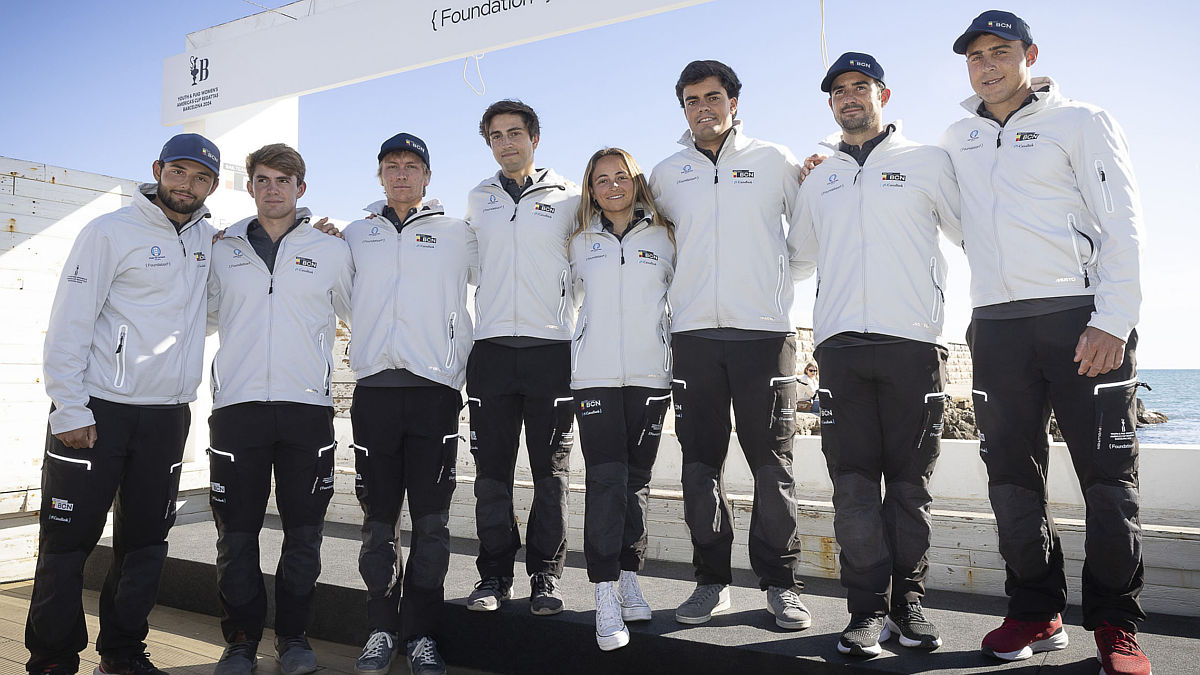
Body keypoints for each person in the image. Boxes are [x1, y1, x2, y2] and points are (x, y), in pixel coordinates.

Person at [941, 11, 1150, 675]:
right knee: (1009, 478)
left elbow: (1123, 222)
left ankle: (1116, 624)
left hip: (1080, 318)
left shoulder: (1080, 121)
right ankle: (1036, 608)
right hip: (996, 326)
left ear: (1030, 54)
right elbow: (938, 207)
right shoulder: (959, 136)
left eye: (1000, 52)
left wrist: (1113, 318)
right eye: (975, 56)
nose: (987, 65)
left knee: (1109, 485)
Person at [789, 52, 963, 657]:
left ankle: (908, 604)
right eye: (838, 91)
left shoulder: (927, 162)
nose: (849, 97)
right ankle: (867, 611)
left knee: (910, 488)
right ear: (830, 104)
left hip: (913, 345)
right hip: (840, 349)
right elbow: (801, 255)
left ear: (883, 94)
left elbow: (973, 228)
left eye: (860, 87)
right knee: (854, 489)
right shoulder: (820, 177)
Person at [27, 134, 220, 675]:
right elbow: (71, 319)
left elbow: (204, 314)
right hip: (95, 412)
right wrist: (68, 406)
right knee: (67, 544)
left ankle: (123, 652)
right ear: (158, 170)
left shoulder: (208, 239)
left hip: (167, 416)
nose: (188, 185)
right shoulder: (109, 231)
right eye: (179, 172)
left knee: (144, 543)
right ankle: (52, 658)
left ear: (211, 186)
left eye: (201, 178)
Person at [648, 60, 810, 630]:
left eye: (712, 97)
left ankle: (780, 584)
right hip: (692, 338)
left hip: (764, 337)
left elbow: (808, 237)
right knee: (700, 466)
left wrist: (772, 288)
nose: (703, 108)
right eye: (691, 100)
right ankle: (711, 581)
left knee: (773, 466)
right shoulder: (666, 174)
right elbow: (652, 247)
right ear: (683, 109)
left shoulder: (775, 160)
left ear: (733, 102)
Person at [205, 144, 352, 675]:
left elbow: (366, 313)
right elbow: (196, 314)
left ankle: (293, 637)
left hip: (306, 410)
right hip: (237, 410)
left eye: (283, 180)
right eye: (262, 180)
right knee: (236, 536)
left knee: (304, 535)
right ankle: (240, 640)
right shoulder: (222, 248)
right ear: (250, 188)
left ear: (300, 188)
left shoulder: (332, 250)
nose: (273, 189)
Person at [342, 133, 476, 675]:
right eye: (391, 166)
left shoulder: (457, 234)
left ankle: (421, 634)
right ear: (379, 176)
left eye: (412, 165)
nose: (401, 174)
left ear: (427, 176)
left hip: (435, 393)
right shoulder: (354, 235)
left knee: (432, 523)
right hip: (374, 392)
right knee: (378, 523)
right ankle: (379, 628)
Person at [463, 100, 581, 616]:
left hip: (551, 352)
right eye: (496, 136)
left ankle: (545, 577)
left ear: (535, 138)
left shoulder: (570, 198)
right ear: (488, 143)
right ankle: (493, 576)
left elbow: (587, 269)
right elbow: (463, 266)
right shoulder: (478, 199)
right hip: (489, 353)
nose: (506, 143)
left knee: (550, 474)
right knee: (491, 473)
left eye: (515, 133)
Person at [568, 148, 675, 651]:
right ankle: (604, 593)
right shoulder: (577, 242)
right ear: (590, 188)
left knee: (636, 482)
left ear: (636, 181)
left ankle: (630, 574)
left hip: (652, 376)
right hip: (594, 378)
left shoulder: (666, 235)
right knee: (607, 480)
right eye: (601, 179)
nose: (612, 186)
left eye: (621, 177)